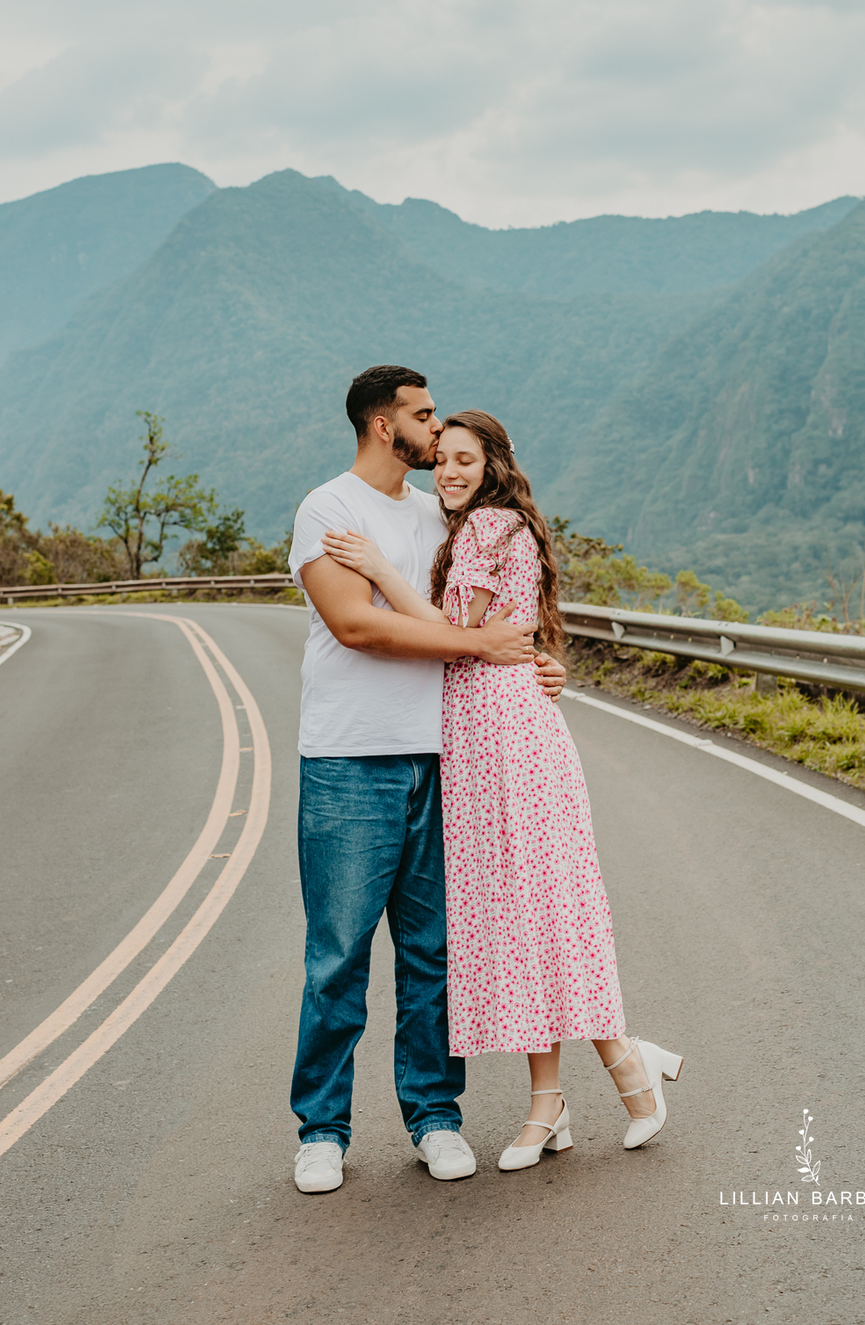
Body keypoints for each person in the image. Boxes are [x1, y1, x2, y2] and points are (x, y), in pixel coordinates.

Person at [322, 409, 683, 1172]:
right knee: (526, 921)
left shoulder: (487, 530)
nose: (449, 472)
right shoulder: (481, 527)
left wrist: (382, 573)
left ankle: (607, 1077)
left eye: (464, 460)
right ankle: (573, 1094)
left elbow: (459, 629)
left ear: (492, 466)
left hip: (506, 742)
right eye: (441, 461)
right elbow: (494, 636)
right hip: (486, 738)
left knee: (536, 913)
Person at [288, 368, 568, 1195]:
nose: (434, 428)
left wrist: (534, 667)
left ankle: (435, 1115)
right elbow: (356, 624)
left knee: (432, 953)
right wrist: (479, 647)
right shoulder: (328, 510)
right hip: (348, 761)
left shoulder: (438, 512)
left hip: (445, 757)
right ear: (384, 427)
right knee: (338, 955)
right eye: (422, 416)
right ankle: (322, 1131)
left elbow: (496, 611)